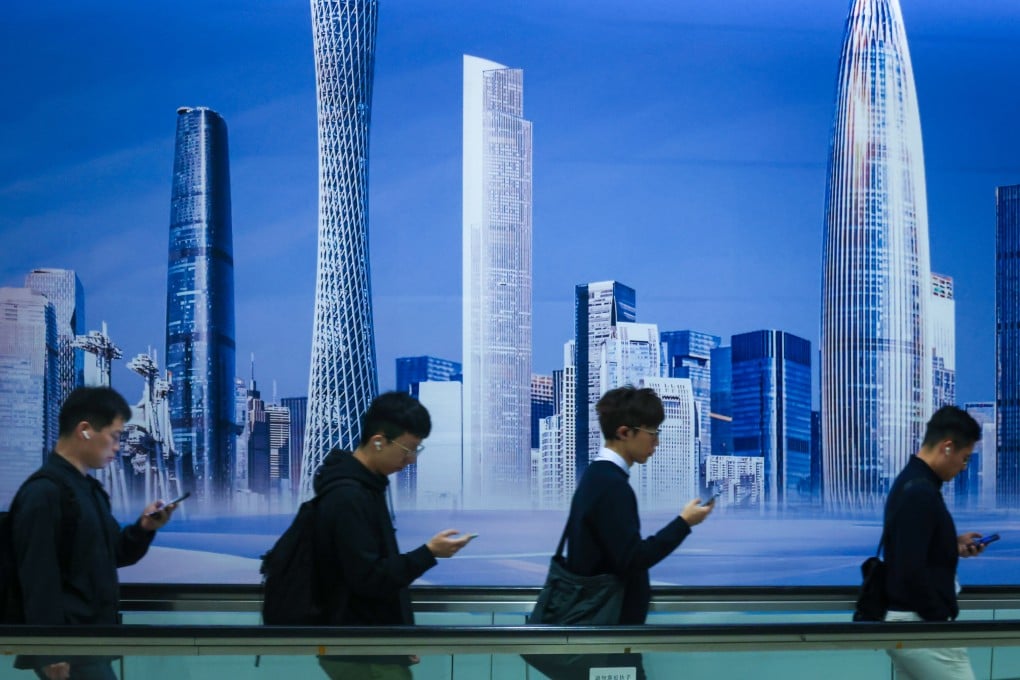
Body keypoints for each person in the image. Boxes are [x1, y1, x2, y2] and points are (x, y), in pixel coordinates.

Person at [11, 386, 179, 680]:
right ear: (85, 430)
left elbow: (113, 553)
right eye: (114, 436)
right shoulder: (44, 493)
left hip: (92, 640)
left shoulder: (89, 491)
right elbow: (38, 577)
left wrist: (144, 528)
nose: (117, 447)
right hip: (69, 647)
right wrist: (50, 649)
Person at [311, 391, 473, 680]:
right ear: (378, 441)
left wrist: (401, 638)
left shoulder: (365, 488)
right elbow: (370, 578)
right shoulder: (348, 497)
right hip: (363, 651)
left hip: (373, 644)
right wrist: (429, 553)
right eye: (408, 449)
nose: (411, 459)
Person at [883, 405, 986, 679]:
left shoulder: (910, 482)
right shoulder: (921, 492)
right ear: (948, 447)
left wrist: (951, 546)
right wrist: (939, 617)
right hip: (922, 627)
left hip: (910, 625)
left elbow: (912, 546)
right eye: (965, 458)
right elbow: (910, 569)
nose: (963, 468)